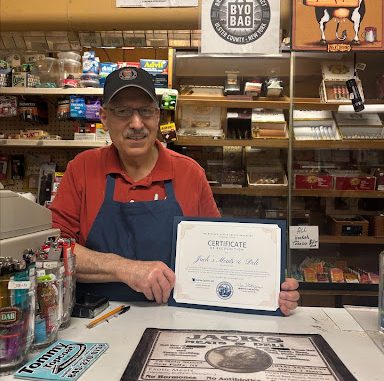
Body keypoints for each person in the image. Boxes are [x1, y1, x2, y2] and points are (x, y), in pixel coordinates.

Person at [50, 67, 299, 316]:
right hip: (96, 318)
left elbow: (219, 255)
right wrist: (124, 268)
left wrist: (264, 289)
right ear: (104, 117)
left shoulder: (189, 173)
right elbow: (54, 249)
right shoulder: (82, 169)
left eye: (145, 111)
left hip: (175, 318)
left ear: (158, 115)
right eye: (123, 112)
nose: (136, 124)